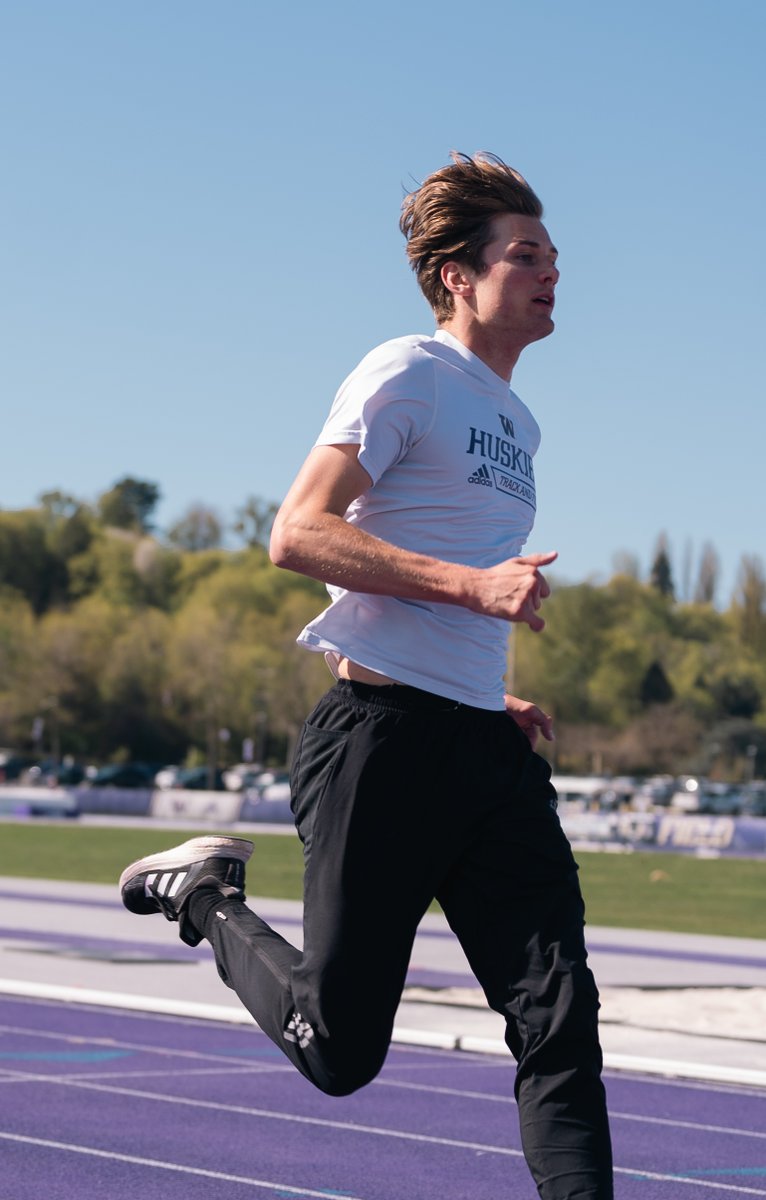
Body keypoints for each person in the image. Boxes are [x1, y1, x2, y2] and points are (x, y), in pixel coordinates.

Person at [120, 151, 614, 1199]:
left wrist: (491, 688)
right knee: (337, 1050)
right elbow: (297, 532)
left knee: (560, 1019)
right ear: (456, 277)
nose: (549, 273)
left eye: (554, 257)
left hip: (485, 751)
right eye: (525, 255)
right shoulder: (407, 371)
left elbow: (449, 570)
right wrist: (475, 592)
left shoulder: (521, 424)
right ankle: (206, 894)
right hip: (379, 746)